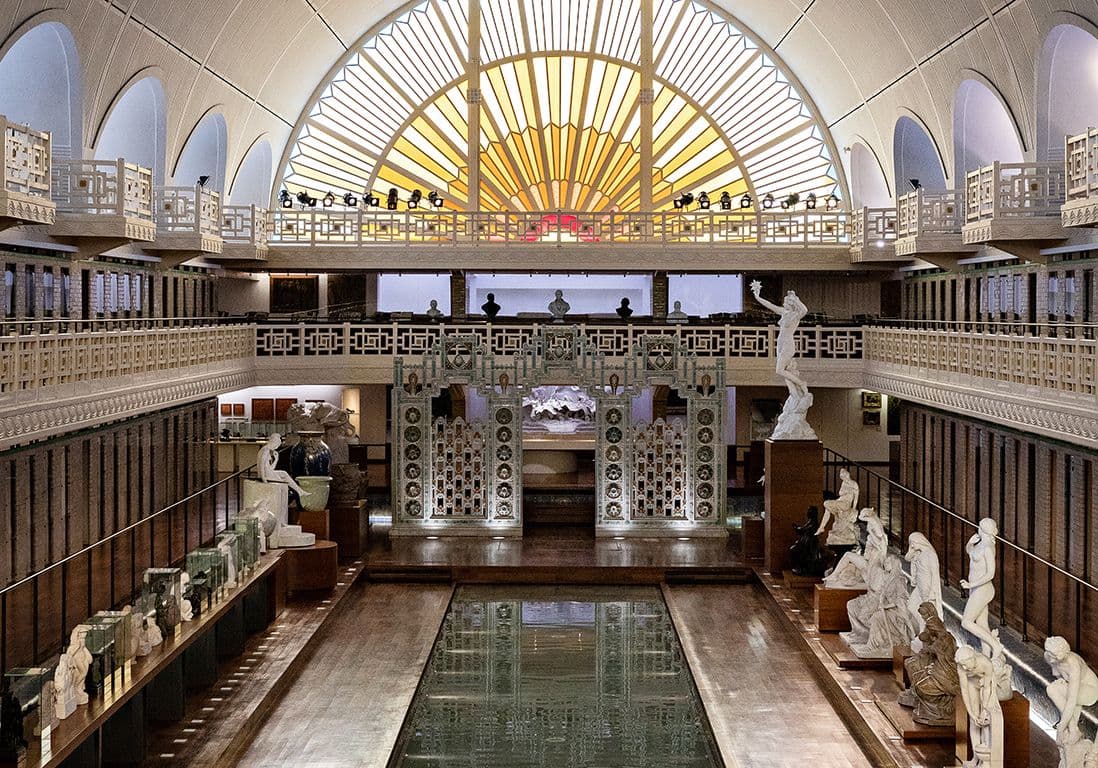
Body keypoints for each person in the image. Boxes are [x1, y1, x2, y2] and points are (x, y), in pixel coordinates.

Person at [1044, 636, 1098, 747]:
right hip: (1073, 687)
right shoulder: (1048, 656)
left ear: (1061, 656)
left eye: (1053, 656)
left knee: (1053, 689)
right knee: (1053, 689)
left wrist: (1060, 728)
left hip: (1090, 690)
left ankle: (1072, 729)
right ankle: (1073, 729)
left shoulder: (1074, 665)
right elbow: (1057, 674)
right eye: (1049, 654)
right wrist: (1062, 681)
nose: (1050, 658)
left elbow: (1071, 700)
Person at [961, 518, 999, 655]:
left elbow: (991, 574)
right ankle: (986, 654)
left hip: (983, 589)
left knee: (966, 622)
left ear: (982, 529)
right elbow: (971, 554)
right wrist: (970, 544)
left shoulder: (988, 547)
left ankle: (995, 645)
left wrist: (971, 584)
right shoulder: (981, 544)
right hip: (976, 589)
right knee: (982, 623)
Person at [257, 433, 309, 497]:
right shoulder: (266, 451)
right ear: (274, 442)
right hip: (266, 475)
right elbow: (261, 466)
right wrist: (264, 480)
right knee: (284, 485)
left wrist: (276, 459)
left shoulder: (265, 449)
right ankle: (298, 492)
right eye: (276, 446)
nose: (276, 448)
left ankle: (300, 491)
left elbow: (270, 468)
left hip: (269, 473)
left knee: (284, 473)